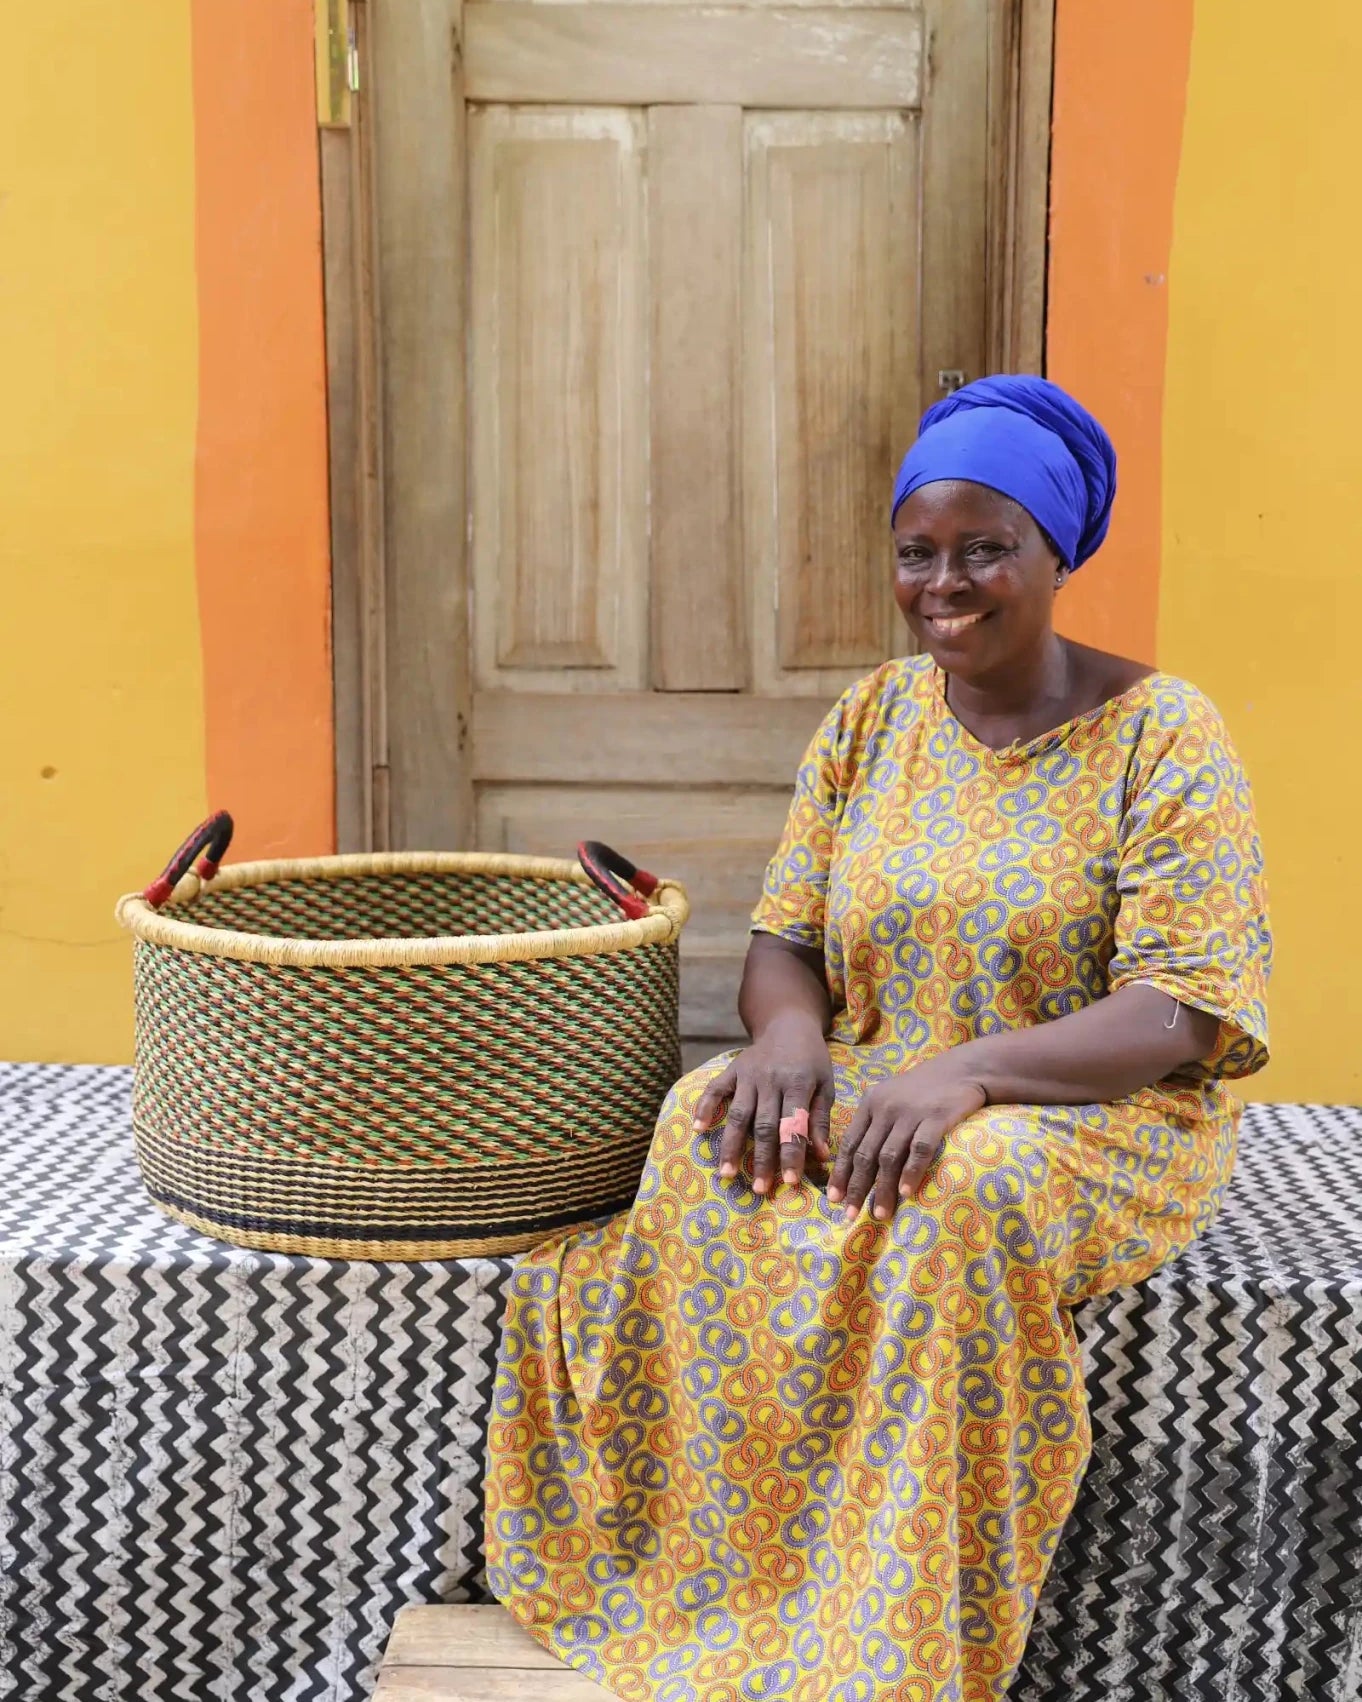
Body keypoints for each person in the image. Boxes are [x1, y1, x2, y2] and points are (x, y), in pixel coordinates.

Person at [486, 375, 1271, 1701]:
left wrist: (964, 1073)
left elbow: (1173, 1008)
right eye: (918, 552)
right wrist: (789, 1038)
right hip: (882, 1070)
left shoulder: (1163, 737)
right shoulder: (872, 716)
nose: (943, 583)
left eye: (983, 548)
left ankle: (890, 1639)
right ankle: (724, 1580)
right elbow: (786, 939)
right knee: (706, 1119)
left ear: (1054, 553)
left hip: (1087, 1112)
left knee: (962, 1190)